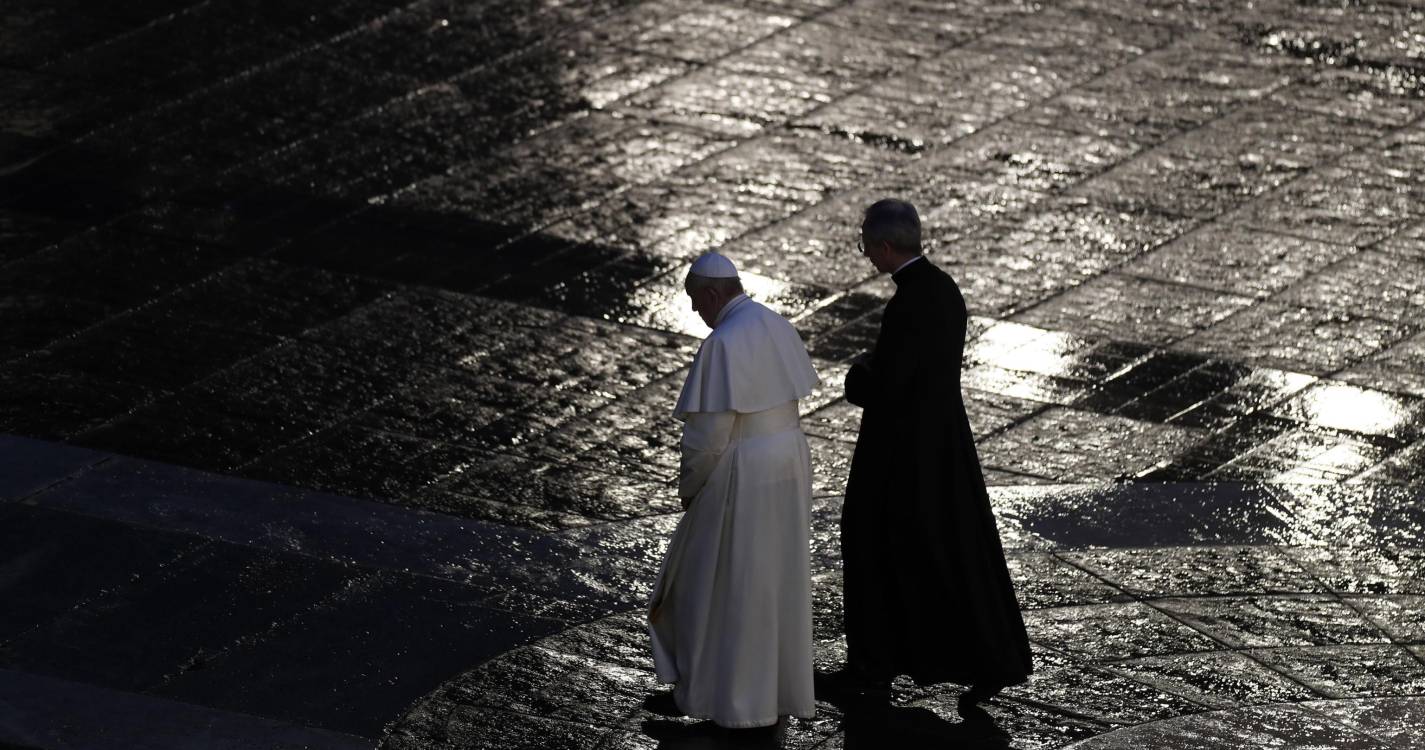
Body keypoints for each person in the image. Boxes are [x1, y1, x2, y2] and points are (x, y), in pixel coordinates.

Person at [832, 199, 1032, 716]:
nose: (867, 256)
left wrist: (858, 378)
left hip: (900, 454)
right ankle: (983, 657)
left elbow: (890, 384)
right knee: (949, 551)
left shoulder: (908, 303)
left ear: (884, 246)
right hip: (941, 447)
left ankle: (872, 666)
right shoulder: (943, 291)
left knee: (872, 543)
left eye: (867, 246)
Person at [647, 251, 821, 730]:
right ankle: (773, 693)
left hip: (743, 467)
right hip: (789, 458)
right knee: (773, 579)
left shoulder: (722, 342)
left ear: (710, 294)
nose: (695, 312)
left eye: (694, 302)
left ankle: (714, 693)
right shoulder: (777, 324)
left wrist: (691, 487)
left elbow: (707, 437)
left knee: (715, 581)